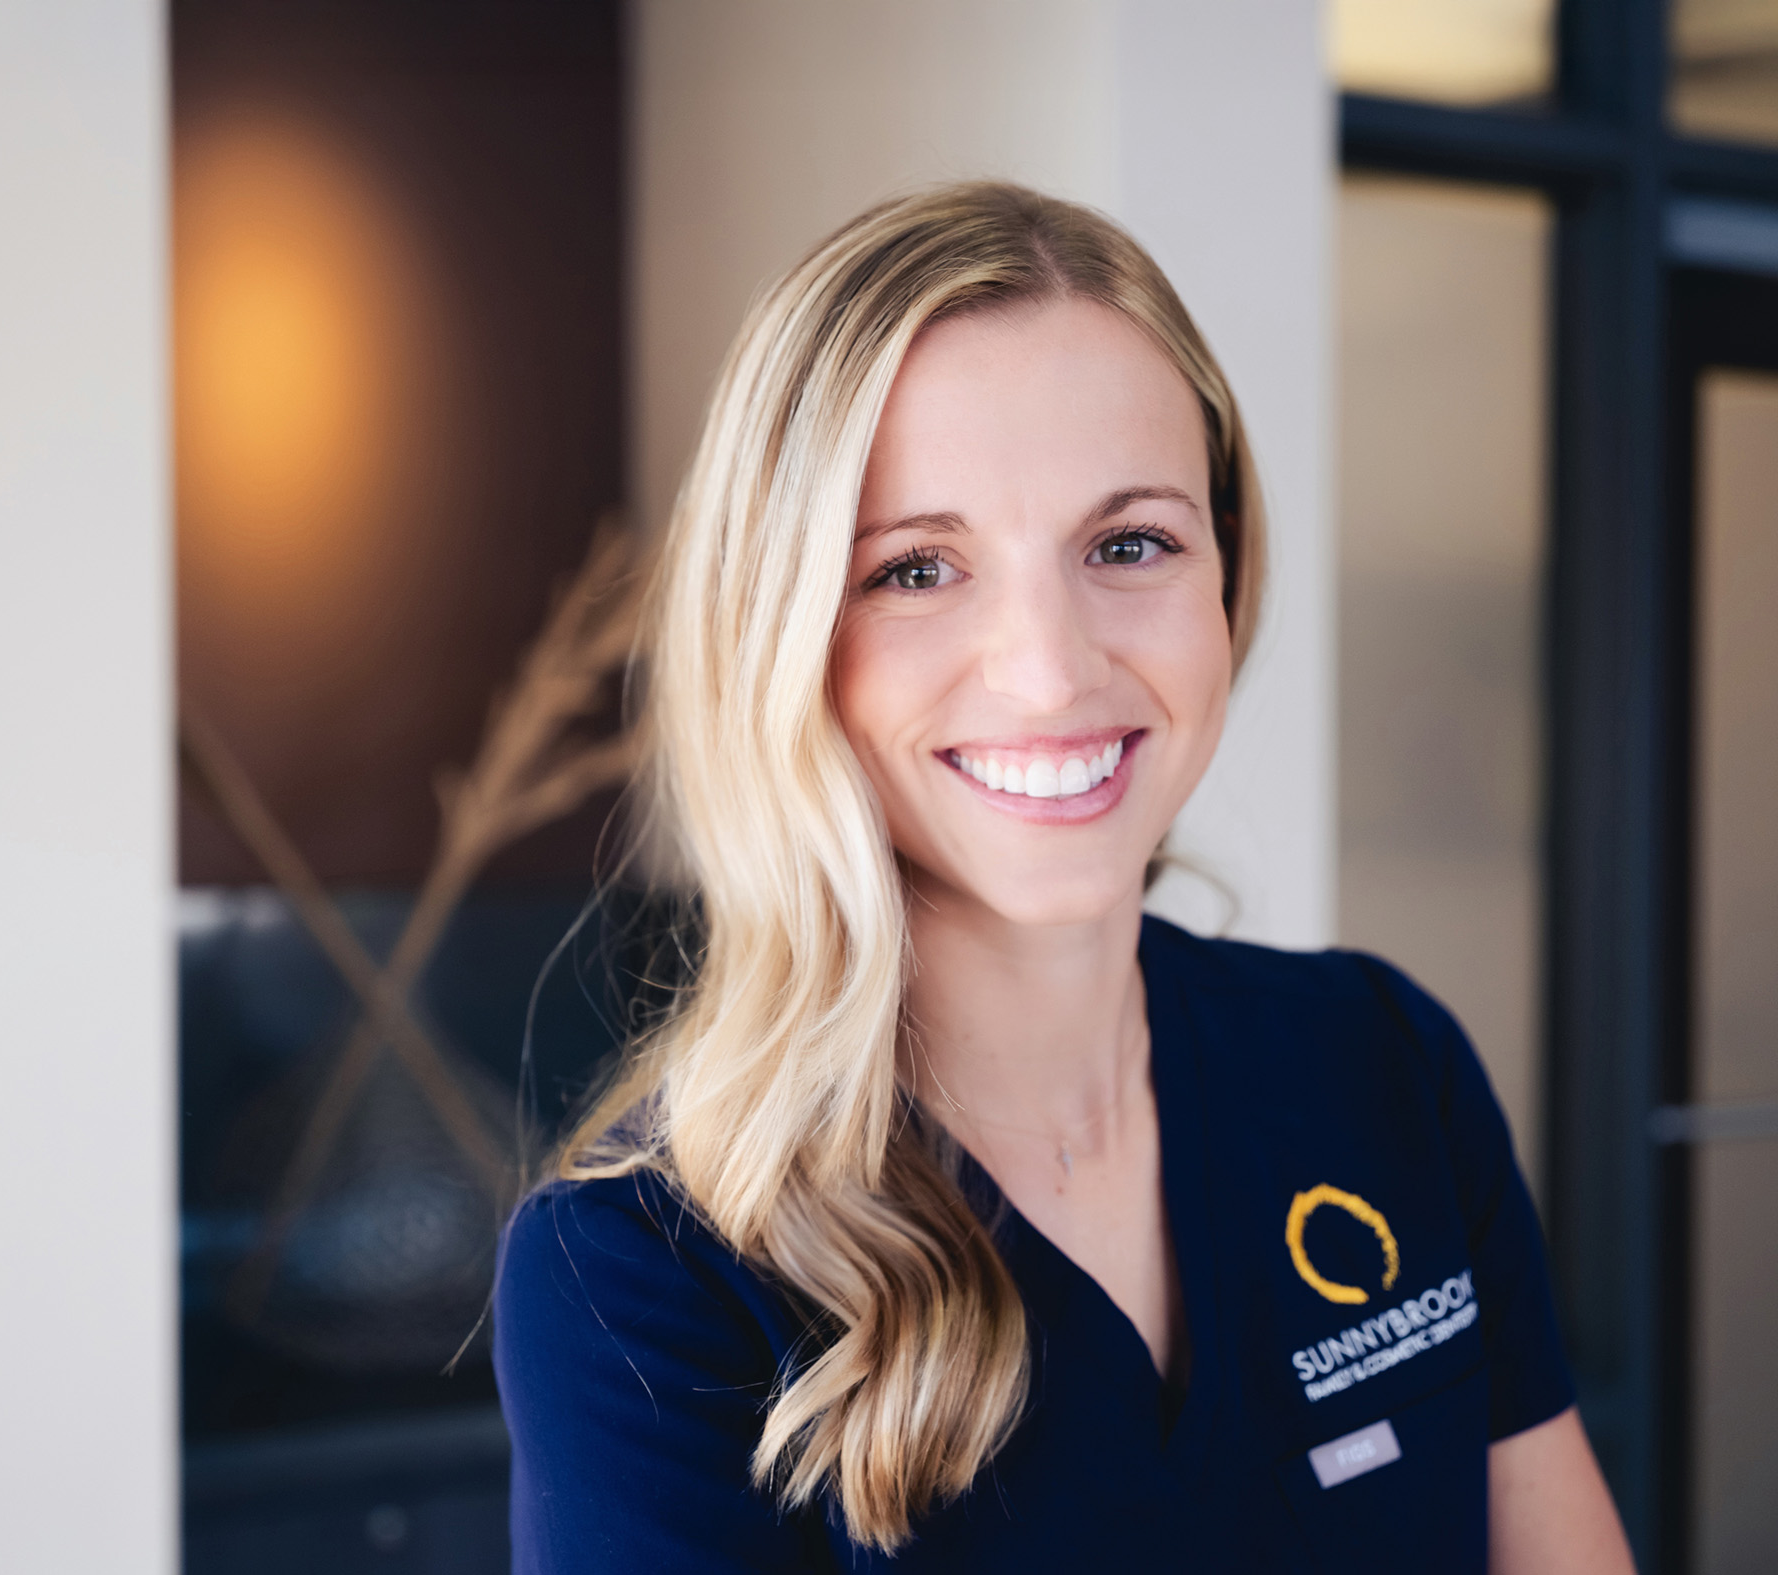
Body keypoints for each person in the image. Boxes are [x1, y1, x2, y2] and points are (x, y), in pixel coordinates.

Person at [493, 182, 1635, 1573]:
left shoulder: (1382, 1066)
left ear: (1228, 576)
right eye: (917, 568)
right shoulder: (641, 1279)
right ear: (778, 630)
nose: (1049, 668)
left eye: (1131, 544)